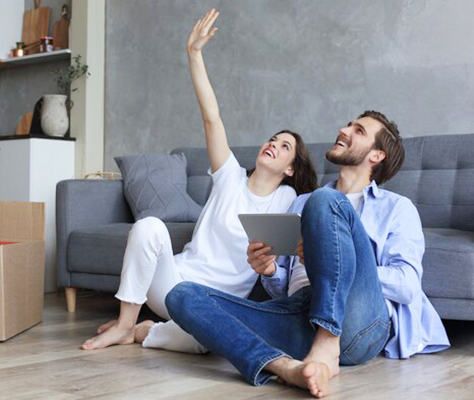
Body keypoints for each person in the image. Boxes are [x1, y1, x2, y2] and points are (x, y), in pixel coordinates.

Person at [166, 109, 451, 397]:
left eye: (359, 131)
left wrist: (331, 261)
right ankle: (284, 366)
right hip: (299, 319)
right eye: (348, 125)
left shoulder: (396, 208)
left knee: (326, 199)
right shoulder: (301, 202)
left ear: (377, 155)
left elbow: (407, 285)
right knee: (181, 295)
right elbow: (285, 289)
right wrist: (269, 270)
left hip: (357, 322)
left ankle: (328, 341)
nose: (344, 130)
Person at [81, 9, 318, 352]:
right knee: (149, 227)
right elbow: (212, 119)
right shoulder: (230, 176)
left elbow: (296, 251)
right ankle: (125, 324)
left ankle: (146, 332)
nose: (272, 145)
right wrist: (194, 53)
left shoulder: (289, 201)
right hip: (175, 285)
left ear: (291, 169)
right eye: (272, 139)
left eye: (284, 147)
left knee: (211, 341)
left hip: (215, 304)